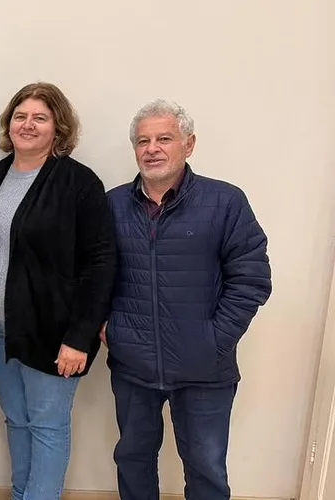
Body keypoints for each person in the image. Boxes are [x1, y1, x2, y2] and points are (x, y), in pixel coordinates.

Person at [104, 99, 272, 500]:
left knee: (206, 468)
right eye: (143, 140)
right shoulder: (112, 205)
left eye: (164, 138)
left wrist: (213, 341)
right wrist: (107, 327)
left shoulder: (225, 202)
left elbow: (251, 280)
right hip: (133, 367)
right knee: (132, 459)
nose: (152, 148)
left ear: (189, 144)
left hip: (205, 372)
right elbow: (93, 276)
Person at [0, 82, 117, 499]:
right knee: (17, 421)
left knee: (48, 427)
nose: (28, 124)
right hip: (0, 331)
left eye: (40, 117)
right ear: (9, 123)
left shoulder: (79, 183)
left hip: (54, 335)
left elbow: (101, 263)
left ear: (58, 127)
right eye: (20, 116)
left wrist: (79, 337)